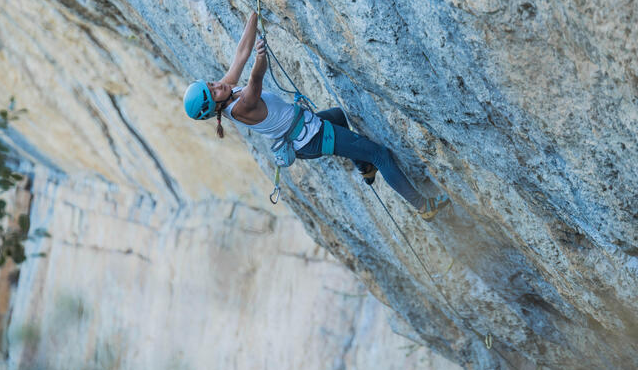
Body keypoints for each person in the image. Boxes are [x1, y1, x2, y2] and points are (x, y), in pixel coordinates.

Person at [183, 11, 450, 220]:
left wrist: (254, 14)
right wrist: (261, 57)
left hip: (305, 131)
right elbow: (255, 78)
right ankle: (423, 206)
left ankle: (364, 168)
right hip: (312, 137)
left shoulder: (226, 91)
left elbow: (240, 54)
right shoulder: (239, 108)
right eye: (214, 91)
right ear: (215, 108)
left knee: (336, 115)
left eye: (212, 84)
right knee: (379, 153)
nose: (218, 85)